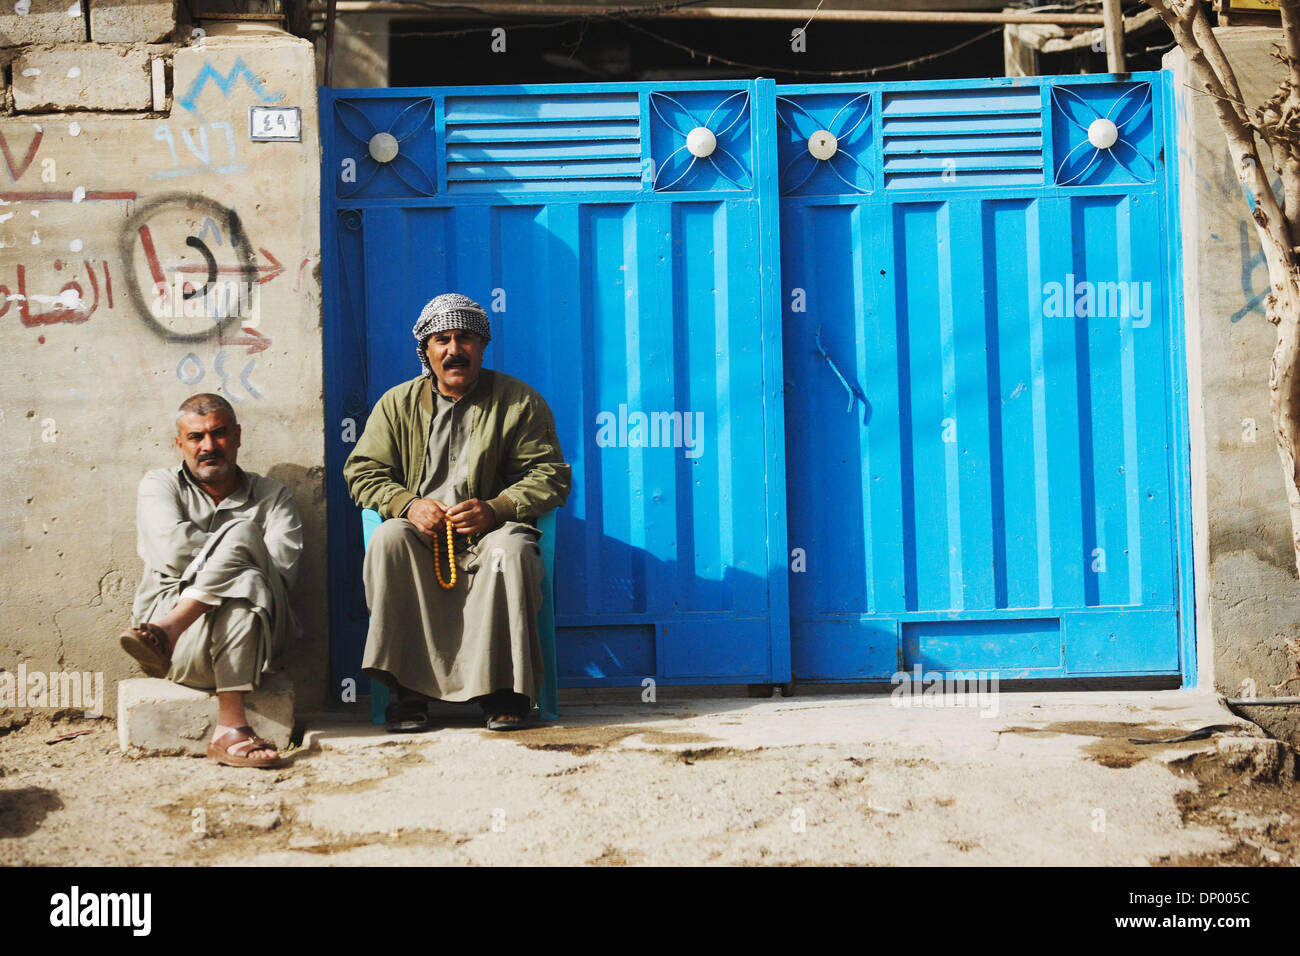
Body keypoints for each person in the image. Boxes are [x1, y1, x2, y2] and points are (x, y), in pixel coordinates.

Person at [344, 292, 571, 732]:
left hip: (491, 533)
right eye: (441, 340)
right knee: (389, 539)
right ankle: (409, 693)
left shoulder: (519, 402)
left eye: (465, 338)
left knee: (513, 551)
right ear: (426, 351)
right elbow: (363, 472)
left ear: (482, 346)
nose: (454, 349)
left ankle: (503, 692)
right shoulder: (397, 404)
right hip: (423, 535)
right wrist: (407, 505)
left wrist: (496, 508)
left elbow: (550, 475)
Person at [119, 393, 303, 769]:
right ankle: (231, 729)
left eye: (218, 434)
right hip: (184, 652)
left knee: (245, 549)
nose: (208, 446)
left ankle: (168, 626)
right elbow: (172, 550)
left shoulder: (272, 496)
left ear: (237, 436)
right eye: (196, 437)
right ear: (179, 443)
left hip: (257, 641)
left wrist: (238, 548)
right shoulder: (159, 486)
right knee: (246, 571)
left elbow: (281, 573)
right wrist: (241, 557)